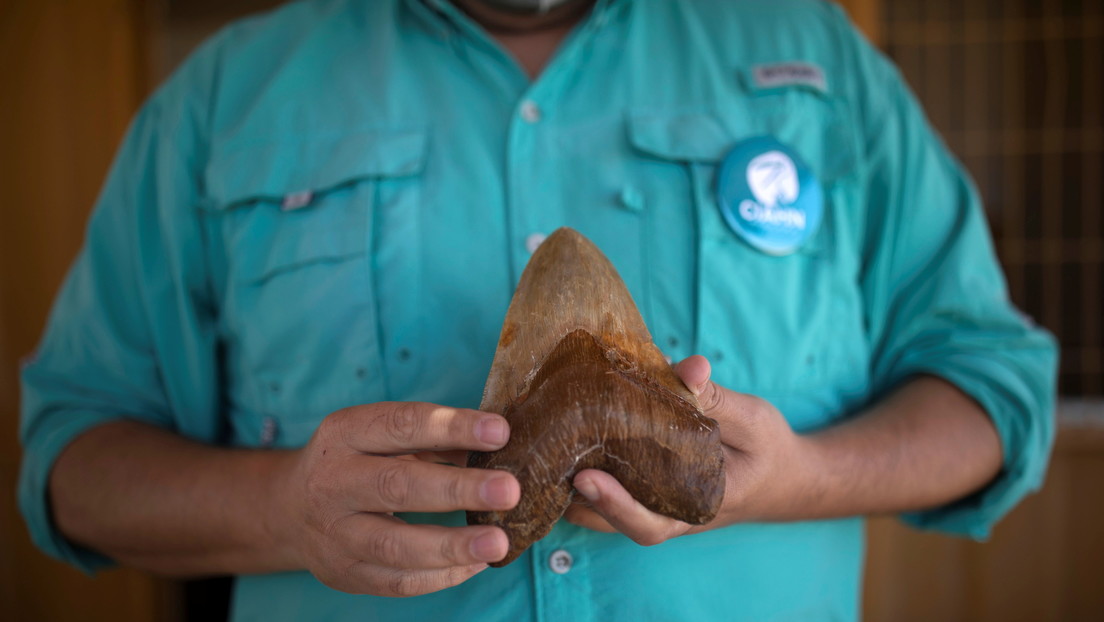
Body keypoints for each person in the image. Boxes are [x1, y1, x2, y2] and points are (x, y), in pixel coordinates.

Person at [19, 0, 1057, 620]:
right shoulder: (227, 98)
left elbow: (991, 390)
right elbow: (74, 463)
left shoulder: (819, 65)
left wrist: (807, 477)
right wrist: (281, 507)